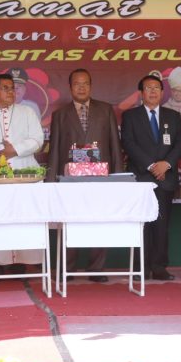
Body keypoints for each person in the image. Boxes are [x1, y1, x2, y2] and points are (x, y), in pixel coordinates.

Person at [47, 68, 124, 282]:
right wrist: (51, 181)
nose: (81, 87)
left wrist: (118, 177)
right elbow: (54, 150)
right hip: (69, 181)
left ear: (91, 86)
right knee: (69, 223)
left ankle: (97, 269)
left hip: (101, 179)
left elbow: (115, 146)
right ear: (70, 87)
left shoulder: (106, 110)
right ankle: (66, 268)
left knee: (99, 222)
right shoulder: (60, 115)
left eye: (85, 83)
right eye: (77, 84)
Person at [0, 74, 45, 276]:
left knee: (24, 220)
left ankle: (22, 262)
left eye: (12, 88)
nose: (11, 92)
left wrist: (16, 150)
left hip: (24, 174)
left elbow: (38, 139)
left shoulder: (28, 113)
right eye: (5, 88)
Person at [121, 74, 181, 281]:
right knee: (143, 226)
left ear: (162, 93)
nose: (153, 91)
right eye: (148, 88)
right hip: (141, 178)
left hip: (165, 178)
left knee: (161, 225)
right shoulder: (131, 116)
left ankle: (159, 268)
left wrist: (165, 164)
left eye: (157, 88)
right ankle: (141, 268)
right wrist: (150, 165)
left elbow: (178, 145)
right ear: (141, 93)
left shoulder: (173, 116)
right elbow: (129, 143)